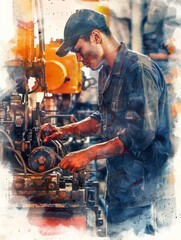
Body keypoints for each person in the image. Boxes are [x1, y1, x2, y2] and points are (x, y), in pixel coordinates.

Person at [40, 9, 174, 238]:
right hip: (121, 190)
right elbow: (103, 119)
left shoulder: (138, 70)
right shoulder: (106, 72)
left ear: (95, 37)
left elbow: (140, 134)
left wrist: (88, 154)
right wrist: (64, 130)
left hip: (143, 195)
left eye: (78, 51)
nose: (78, 60)